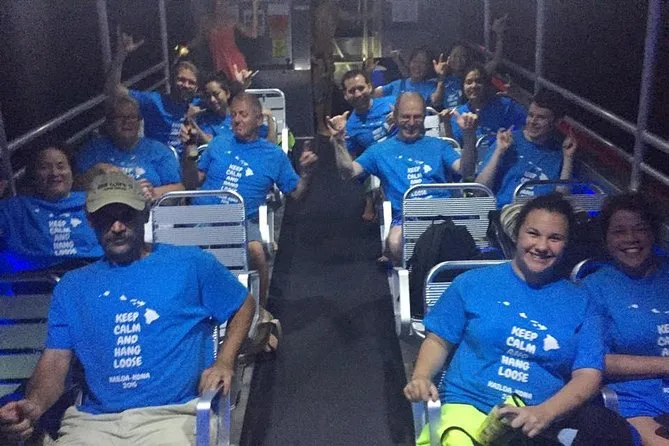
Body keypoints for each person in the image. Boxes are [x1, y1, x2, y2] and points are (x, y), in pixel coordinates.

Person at [0, 172, 255, 445]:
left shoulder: (190, 264)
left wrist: (224, 362)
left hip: (172, 416)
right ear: (91, 221)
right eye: (106, 218)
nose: (118, 226)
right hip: (94, 423)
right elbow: (55, 361)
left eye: (127, 215)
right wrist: (34, 405)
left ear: (145, 214)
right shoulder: (72, 287)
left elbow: (243, 304)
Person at [404, 194, 634, 445]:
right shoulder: (472, 283)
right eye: (533, 233)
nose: (542, 246)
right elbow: (438, 340)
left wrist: (545, 413)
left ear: (566, 244)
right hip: (468, 407)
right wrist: (421, 376)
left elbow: (587, 374)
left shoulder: (583, 303)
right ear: (517, 235)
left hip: (538, 420)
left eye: (555, 238)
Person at [192, 93, 318, 306]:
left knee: (257, 252)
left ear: (259, 119)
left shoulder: (273, 155)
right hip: (203, 215)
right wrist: (188, 158)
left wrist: (306, 173)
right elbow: (193, 180)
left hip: (240, 221)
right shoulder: (219, 142)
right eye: (233, 115)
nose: (237, 120)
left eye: (243, 115)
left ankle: (259, 308)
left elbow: (297, 193)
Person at [329, 91, 477, 264]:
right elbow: (348, 173)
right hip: (407, 218)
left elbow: (466, 170)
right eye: (406, 117)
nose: (412, 123)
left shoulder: (439, 145)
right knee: (394, 242)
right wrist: (339, 142)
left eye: (417, 117)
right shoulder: (379, 150)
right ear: (395, 116)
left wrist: (469, 136)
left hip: (445, 213)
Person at [583, 193, 669, 445]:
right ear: (606, 239)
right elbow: (597, 360)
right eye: (619, 231)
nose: (631, 238)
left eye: (640, 229)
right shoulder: (594, 287)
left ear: (653, 234)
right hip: (638, 403)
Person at [0, 145, 102, 273]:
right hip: (37, 279)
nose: (54, 173)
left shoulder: (95, 201)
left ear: (71, 172)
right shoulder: (15, 208)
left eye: (61, 167)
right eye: (44, 168)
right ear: (33, 175)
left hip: (95, 273)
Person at [475, 89, 577, 207]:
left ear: (556, 122)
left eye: (541, 117)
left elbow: (562, 199)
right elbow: (479, 191)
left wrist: (568, 158)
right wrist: (499, 152)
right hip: (504, 211)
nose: (533, 121)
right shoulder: (508, 140)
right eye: (530, 115)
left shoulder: (560, 152)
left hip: (540, 214)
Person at [105, 31, 200, 158]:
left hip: (187, 161)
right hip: (157, 161)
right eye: (181, 80)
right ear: (171, 81)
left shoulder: (198, 105)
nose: (186, 85)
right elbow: (113, 90)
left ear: (196, 88)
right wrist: (121, 56)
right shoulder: (154, 102)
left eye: (191, 82)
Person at [76, 94, 184, 202]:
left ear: (139, 122)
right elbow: (75, 186)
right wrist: (94, 173)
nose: (126, 122)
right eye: (120, 117)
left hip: (149, 208)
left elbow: (179, 188)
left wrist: (152, 192)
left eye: (132, 117)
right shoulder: (93, 149)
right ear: (109, 123)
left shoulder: (159, 151)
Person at [340, 69, 397, 221]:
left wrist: (401, 116)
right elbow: (350, 164)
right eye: (352, 91)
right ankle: (370, 199)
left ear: (370, 87)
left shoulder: (392, 103)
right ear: (346, 95)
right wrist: (339, 140)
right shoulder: (351, 126)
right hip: (376, 162)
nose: (358, 94)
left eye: (361, 88)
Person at [446, 64, 527, 164]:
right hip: (472, 164)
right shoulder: (459, 113)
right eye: (469, 82)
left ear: (486, 84)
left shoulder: (504, 105)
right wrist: (446, 124)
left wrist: (519, 98)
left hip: (503, 160)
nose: (474, 86)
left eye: (478, 81)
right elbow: (454, 147)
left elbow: (528, 123)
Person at [431, 14, 509, 110]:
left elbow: (495, 60)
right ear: (448, 58)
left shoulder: (474, 76)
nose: (458, 60)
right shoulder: (442, 80)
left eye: (462, 56)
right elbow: (435, 102)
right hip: (450, 117)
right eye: (455, 56)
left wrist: (499, 35)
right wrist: (441, 77)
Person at [180, 71, 276, 148]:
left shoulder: (243, 115)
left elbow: (269, 145)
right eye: (208, 96)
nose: (212, 99)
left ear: (227, 94)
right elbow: (211, 144)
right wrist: (192, 121)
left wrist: (270, 119)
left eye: (216, 94)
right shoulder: (206, 119)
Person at [191, 0, 259, 86]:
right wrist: (185, 48)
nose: (221, 5)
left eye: (224, 3)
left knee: (238, 86)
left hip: (234, 62)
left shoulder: (231, 20)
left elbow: (253, 34)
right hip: (217, 62)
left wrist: (255, 8)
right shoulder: (207, 22)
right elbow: (199, 40)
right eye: (219, 3)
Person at [373, 47, 438, 105]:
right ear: (409, 63)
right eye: (415, 61)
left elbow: (436, 101)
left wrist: (441, 78)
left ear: (428, 67)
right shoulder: (397, 84)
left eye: (423, 63)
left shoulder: (431, 86)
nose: (418, 66)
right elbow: (373, 94)